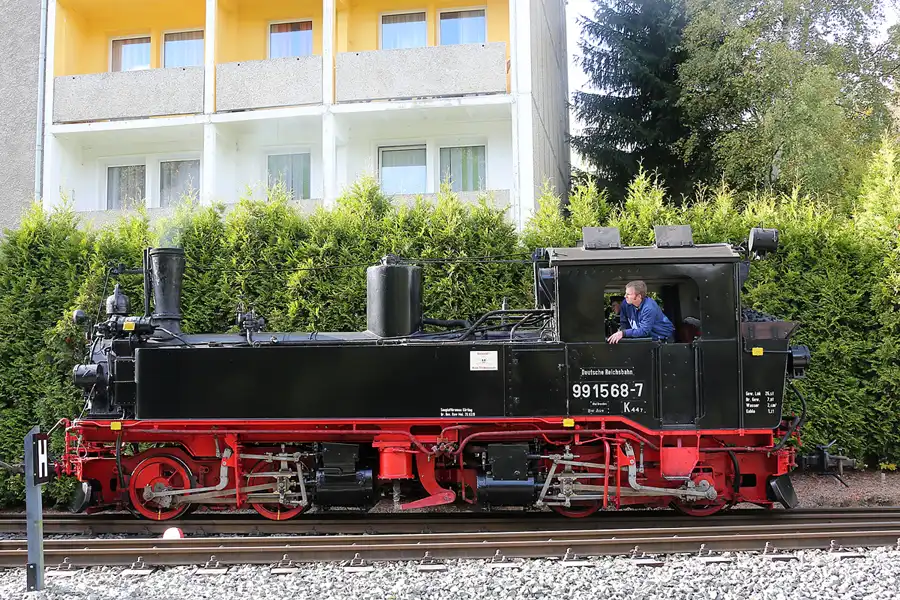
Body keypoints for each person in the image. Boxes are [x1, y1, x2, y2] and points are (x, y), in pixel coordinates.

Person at [607, 280, 675, 344]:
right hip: (647, 338)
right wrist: (622, 334)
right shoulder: (625, 304)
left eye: (628, 294)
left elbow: (644, 331)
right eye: (625, 293)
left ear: (638, 296)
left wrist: (623, 333)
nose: (625, 296)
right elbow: (624, 323)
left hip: (663, 340)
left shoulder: (649, 308)